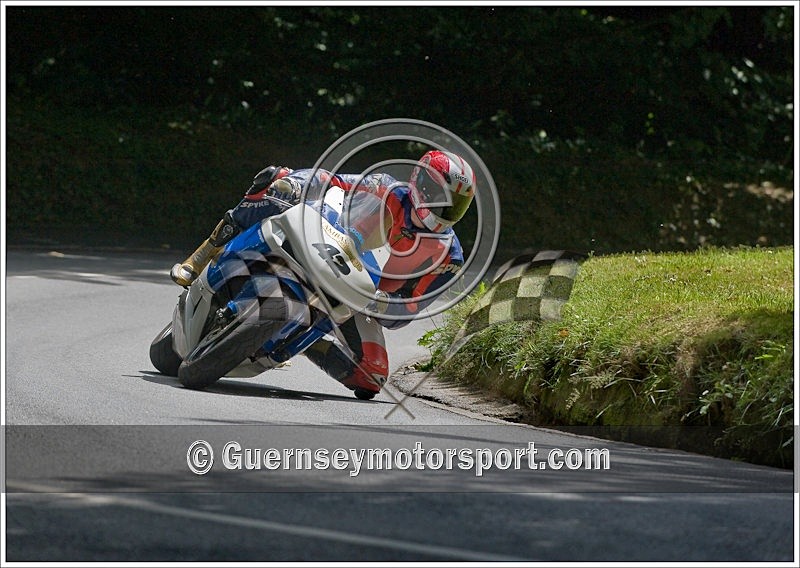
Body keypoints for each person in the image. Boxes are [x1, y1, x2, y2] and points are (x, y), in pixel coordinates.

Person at [170, 150, 476, 398]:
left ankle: (304, 342)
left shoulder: (450, 257)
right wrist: (297, 183)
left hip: (361, 293)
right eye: (440, 194)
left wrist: (386, 304)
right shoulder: (386, 187)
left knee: (372, 376)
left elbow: (412, 306)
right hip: (329, 243)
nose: (444, 208)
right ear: (420, 181)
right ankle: (205, 253)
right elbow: (333, 181)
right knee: (275, 180)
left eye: (455, 204)